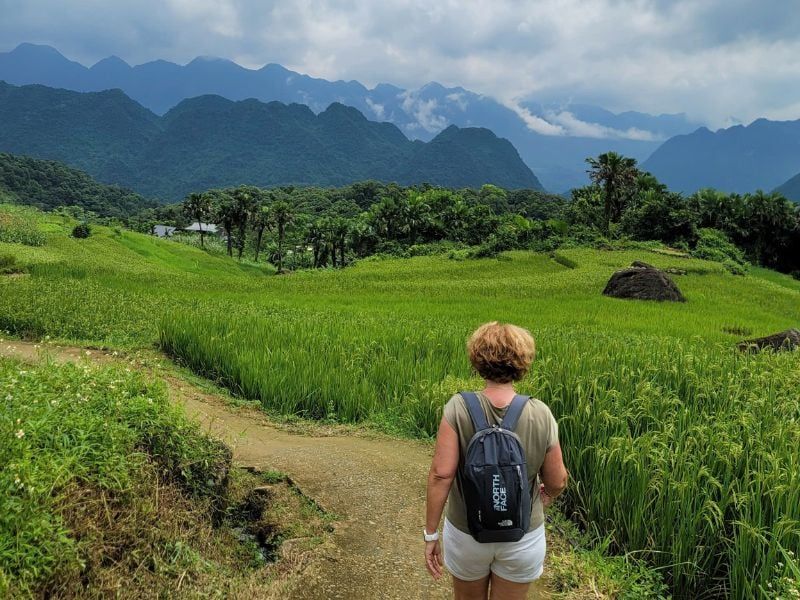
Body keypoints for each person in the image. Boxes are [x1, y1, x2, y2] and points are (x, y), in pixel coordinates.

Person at [424, 322, 568, 600]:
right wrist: (547, 493)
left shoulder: (458, 407)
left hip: (468, 533)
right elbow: (557, 479)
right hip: (523, 534)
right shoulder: (541, 413)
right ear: (522, 362)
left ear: (478, 360)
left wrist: (431, 534)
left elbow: (441, 475)